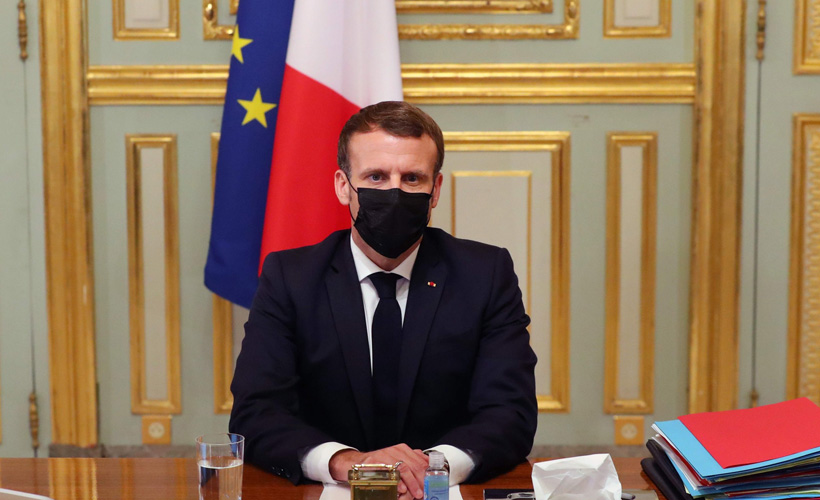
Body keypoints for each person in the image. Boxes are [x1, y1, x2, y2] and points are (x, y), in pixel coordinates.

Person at [229, 101, 537, 499]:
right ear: (343, 186)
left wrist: (430, 468)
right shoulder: (291, 277)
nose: (394, 192)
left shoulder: (485, 274)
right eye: (376, 176)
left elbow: (511, 413)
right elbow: (256, 413)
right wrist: (348, 463)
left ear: (435, 190)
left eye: (412, 178)